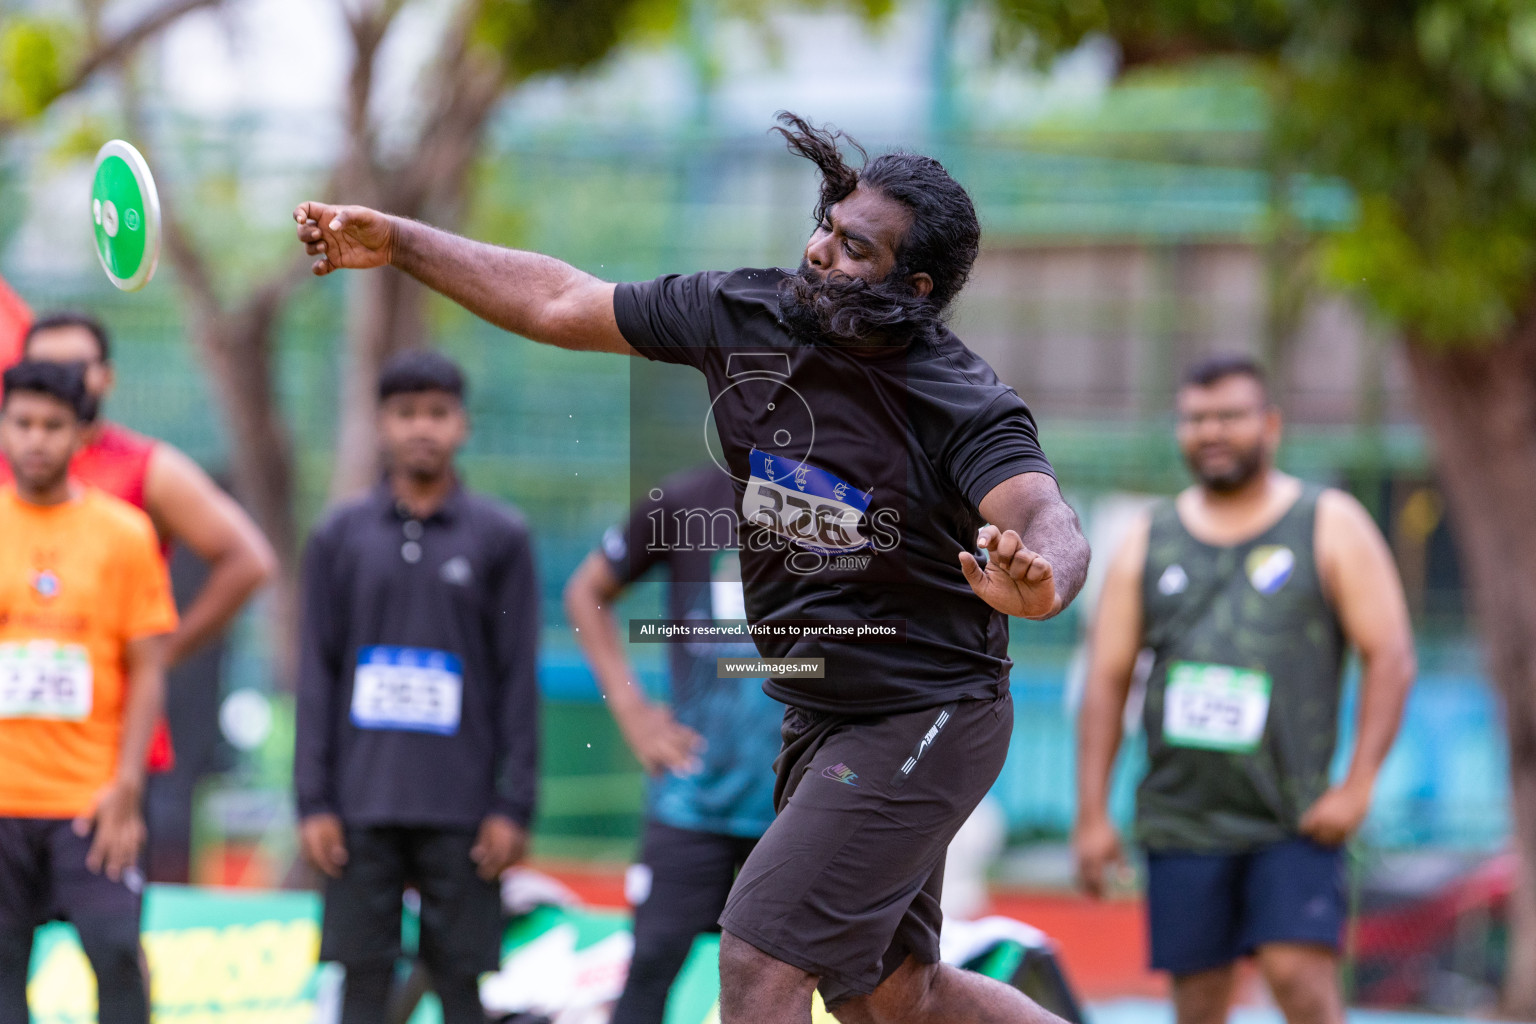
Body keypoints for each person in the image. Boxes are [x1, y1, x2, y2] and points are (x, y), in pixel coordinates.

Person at [295, 111, 1091, 1024]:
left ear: (913, 288)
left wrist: (1043, 574)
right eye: (825, 225)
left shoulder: (961, 400)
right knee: (892, 993)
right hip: (823, 714)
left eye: (854, 247)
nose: (819, 252)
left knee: (757, 956)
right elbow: (560, 301)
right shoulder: (747, 312)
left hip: (927, 713)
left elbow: (1040, 513)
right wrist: (398, 242)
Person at [1072, 356, 1416, 1024]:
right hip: (1183, 816)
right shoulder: (1148, 536)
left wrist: (1359, 784)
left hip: (1293, 814)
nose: (1211, 432)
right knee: (1198, 1002)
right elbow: (1107, 679)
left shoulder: (1329, 522)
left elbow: (1392, 656)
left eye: (1229, 416)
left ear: (1271, 426)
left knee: (1300, 977)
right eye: (1196, 419)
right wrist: (1091, 815)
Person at [294, 350, 540, 1024]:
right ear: (381, 425)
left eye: (437, 412)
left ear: (462, 424)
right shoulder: (339, 535)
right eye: (405, 413)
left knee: (462, 982)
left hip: (462, 805)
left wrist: (513, 804)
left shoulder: (501, 536)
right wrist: (312, 799)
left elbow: (518, 674)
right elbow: (316, 670)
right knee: (361, 979)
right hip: (358, 803)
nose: (421, 428)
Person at [8, 313, 276, 816]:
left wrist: (164, 653)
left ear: (105, 377)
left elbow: (249, 560)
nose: (60, 375)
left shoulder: (145, 468)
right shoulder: (9, 467)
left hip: (109, 752)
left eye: (76, 364)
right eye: (44, 364)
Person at [565, 465, 781, 1024]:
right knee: (651, 965)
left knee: (818, 981)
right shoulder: (684, 501)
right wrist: (634, 711)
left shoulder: (850, 505)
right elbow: (586, 591)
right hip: (694, 793)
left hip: (803, 803)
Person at [0, 360, 178, 1024]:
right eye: (22, 423)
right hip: (3, 797)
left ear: (82, 436)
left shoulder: (124, 534)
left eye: (53, 426)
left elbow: (150, 667)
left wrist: (127, 785)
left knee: (115, 953)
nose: (36, 440)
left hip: (90, 801)